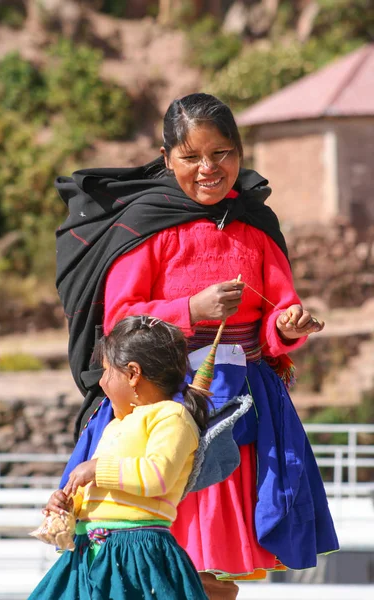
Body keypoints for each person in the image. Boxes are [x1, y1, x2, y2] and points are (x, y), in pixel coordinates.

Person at [54, 92, 339, 600]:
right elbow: (119, 321)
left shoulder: (256, 229)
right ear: (167, 159)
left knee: (216, 569)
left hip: (239, 410)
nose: (209, 168)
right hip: (160, 404)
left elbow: (277, 311)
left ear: (240, 153)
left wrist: (289, 325)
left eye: (222, 153)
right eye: (191, 157)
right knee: (150, 553)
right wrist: (191, 311)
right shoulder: (145, 227)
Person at [28, 315, 210, 600]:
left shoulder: (172, 418)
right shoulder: (115, 425)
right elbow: (100, 494)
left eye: (105, 371)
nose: (101, 381)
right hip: (90, 552)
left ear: (133, 373)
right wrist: (68, 505)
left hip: (138, 554)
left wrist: (98, 469)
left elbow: (157, 476)